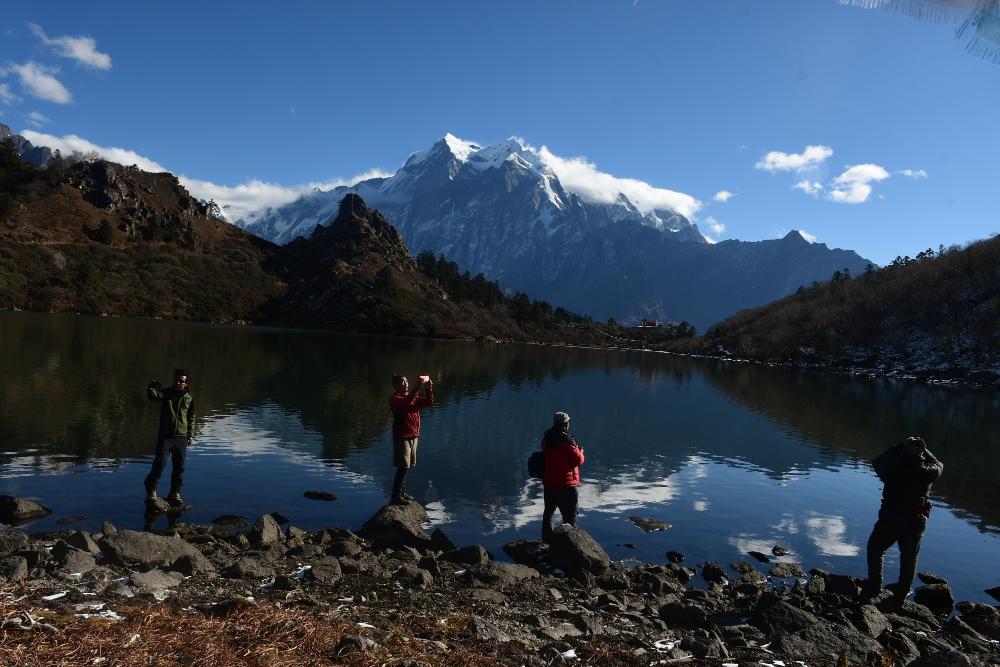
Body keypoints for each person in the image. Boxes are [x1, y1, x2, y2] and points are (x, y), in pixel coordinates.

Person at [865, 436, 943, 604]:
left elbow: (877, 461)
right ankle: (901, 593)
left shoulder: (892, 468)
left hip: (890, 518)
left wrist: (899, 445)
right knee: (909, 558)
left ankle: (874, 585)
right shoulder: (928, 471)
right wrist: (923, 448)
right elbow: (939, 464)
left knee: (875, 549)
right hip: (916, 520)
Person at [144, 369, 195, 507]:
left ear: (186, 383)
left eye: (181, 381)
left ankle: (175, 492)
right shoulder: (167, 393)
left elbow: (191, 417)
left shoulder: (189, 398)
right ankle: (151, 489)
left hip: (181, 437)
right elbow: (154, 396)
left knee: (180, 467)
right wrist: (150, 387)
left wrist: (190, 434)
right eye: (177, 380)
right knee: (160, 464)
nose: (178, 383)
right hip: (166, 436)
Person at [388, 374, 434, 505]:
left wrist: (429, 388)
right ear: (396, 386)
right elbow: (406, 402)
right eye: (402, 382)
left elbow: (429, 402)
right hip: (402, 437)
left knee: (406, 467)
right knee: (402, 467)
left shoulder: (412, 397)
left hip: (413, 435)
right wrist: (417, 389)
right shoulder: (395, 399)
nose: (406, 383)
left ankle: (401, 492)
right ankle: (395, 496)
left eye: (406, 381)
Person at [540, 411, 585, 543]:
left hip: (549, 483)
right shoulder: (567, 441)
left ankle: (546, 541)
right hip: (566, 485)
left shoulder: (546, 439)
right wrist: (581, 451)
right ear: (566, 424)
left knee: (549, 513)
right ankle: (571, 545)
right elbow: (578, 460)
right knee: (570, 516)